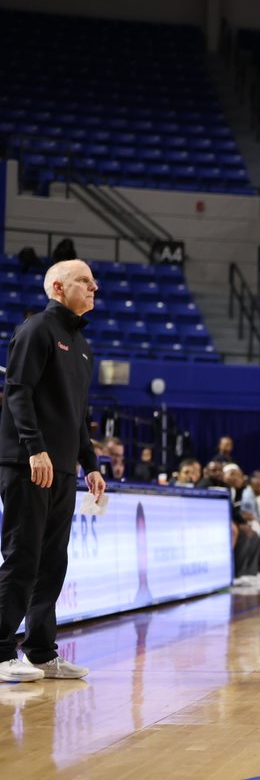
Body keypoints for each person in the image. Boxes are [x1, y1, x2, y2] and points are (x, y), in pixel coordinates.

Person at [0, 259, 106, 682]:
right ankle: (1, 650)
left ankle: (42, 652)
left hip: (61, 469)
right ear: (59, 288)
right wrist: (35, 449)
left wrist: (91, 465)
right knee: (22, 558)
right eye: (85, 281)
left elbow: (78, 414)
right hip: (30, 464)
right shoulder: (36, 330)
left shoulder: (82, 345)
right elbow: (18, 392)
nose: (94, 286)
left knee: (52, 564)